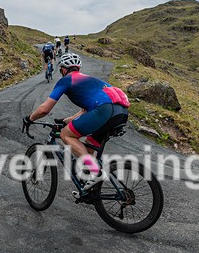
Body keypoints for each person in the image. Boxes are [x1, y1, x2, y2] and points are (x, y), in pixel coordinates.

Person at [22, 53, 130, 192]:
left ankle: (95, 172)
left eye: (61, 69)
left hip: (104, 110)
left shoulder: (67, 80)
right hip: (120, 112)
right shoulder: (91, 80)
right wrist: (64, 121)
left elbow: (45, 109)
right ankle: (89, 188)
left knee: (66, 135)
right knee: (89, 146)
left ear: (64, 69)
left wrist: (29, 118)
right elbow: (85, 112)